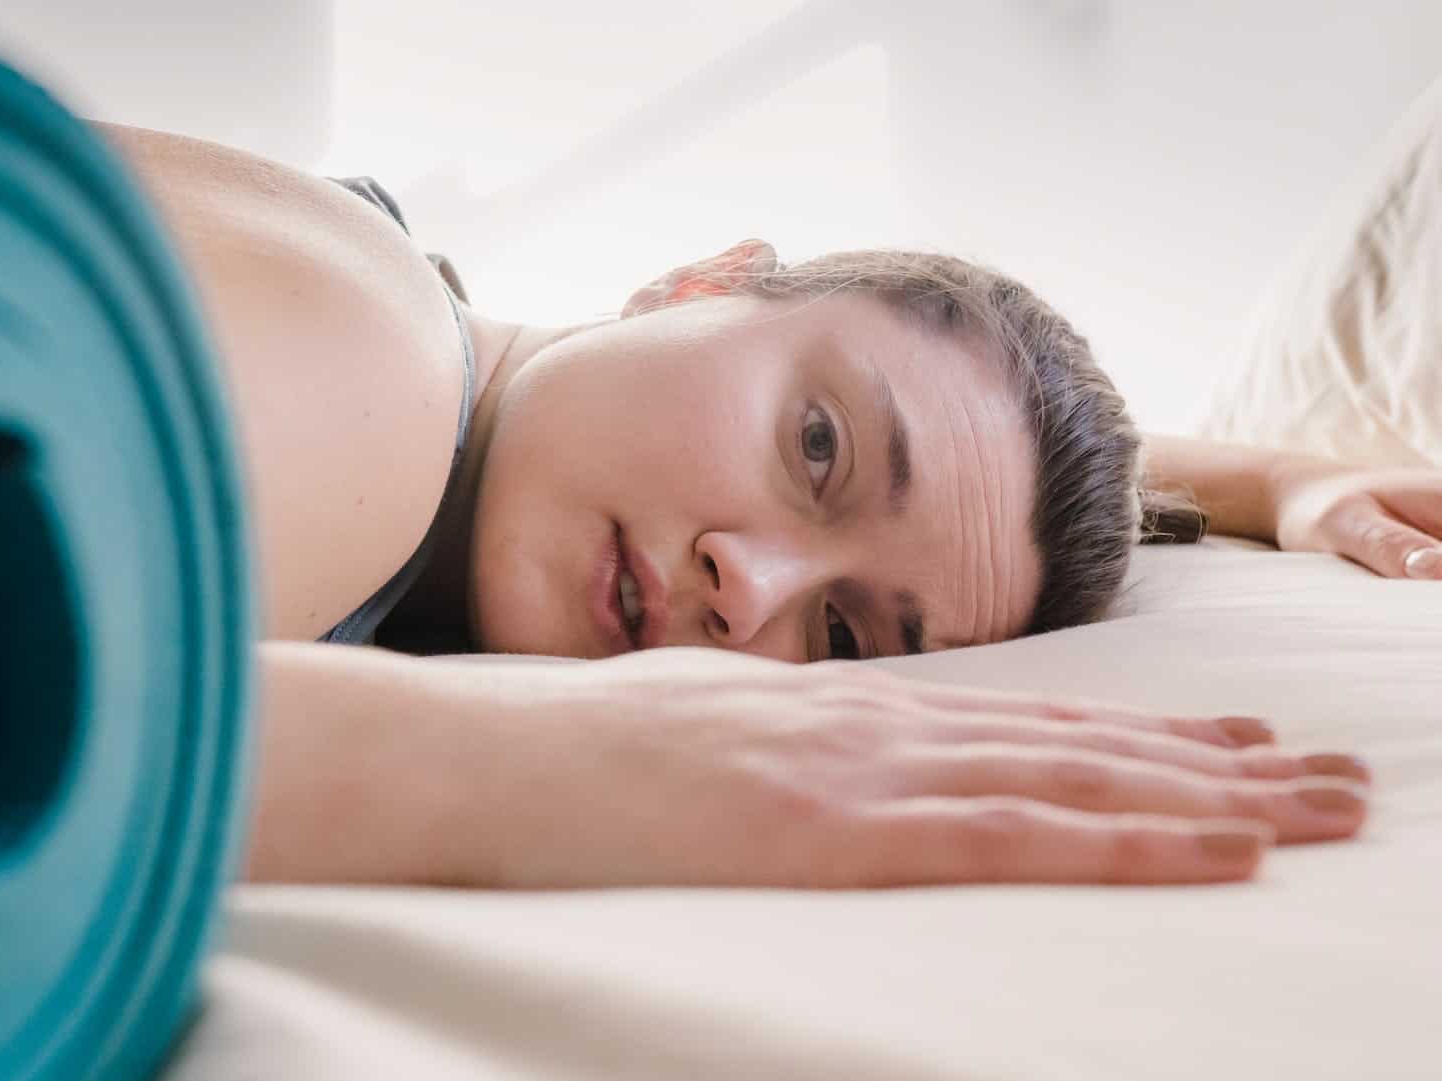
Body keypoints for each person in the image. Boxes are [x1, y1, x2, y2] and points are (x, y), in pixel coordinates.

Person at [97, 122, 1442, 891]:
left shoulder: (417, 394)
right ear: (697, 279)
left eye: (846, 636)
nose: (752, 590)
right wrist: (543, 768)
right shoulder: (374, 357)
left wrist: (1267, 475)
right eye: (812, 446)